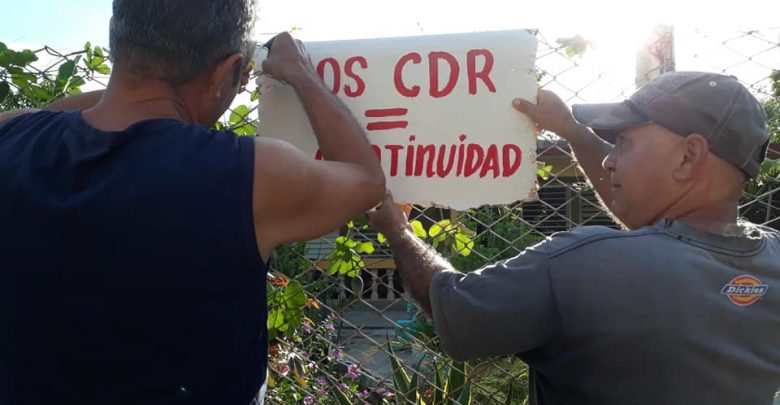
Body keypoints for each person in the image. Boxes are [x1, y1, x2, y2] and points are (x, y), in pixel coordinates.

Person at [0, 1, 384, 404]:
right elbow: (366, 181)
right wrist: (301, 74)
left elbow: (46, 114)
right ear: (226, 72)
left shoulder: (10, 138)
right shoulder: (252, 172)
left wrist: (134, 78)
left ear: (119, 43)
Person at [368, 71, 779, 404]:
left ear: (689, 156)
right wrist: (573, 132)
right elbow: (657, 225)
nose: (609, 158)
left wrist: (399, 231)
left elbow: (450, 306)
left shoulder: (587, 262)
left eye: (623, 141)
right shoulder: (772, 259)